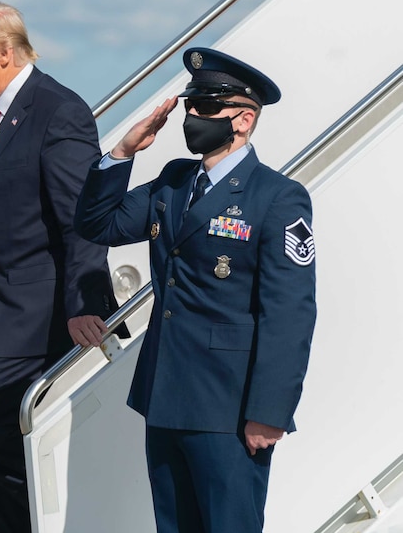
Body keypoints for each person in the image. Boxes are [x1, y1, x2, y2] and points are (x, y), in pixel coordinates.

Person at [74, 47, 317, 532]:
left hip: (229, 408)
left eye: (205, 107)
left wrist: (269, 412)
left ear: (243, 120)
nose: (191, 117)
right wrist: (124, 151)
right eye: (190, 105)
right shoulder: (174, 183)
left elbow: (289, 313)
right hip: (164, 394)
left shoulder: (277, 197)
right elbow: (95, 223)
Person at [0, 0, 123, 533]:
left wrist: (85, 305)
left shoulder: (56, 111)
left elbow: (81, 219)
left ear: (3, 51)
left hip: (36, 320)